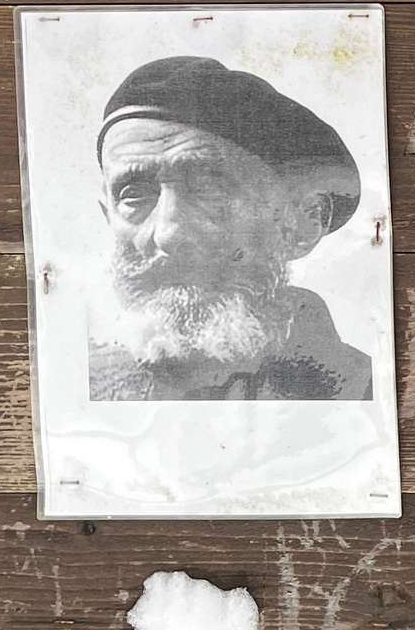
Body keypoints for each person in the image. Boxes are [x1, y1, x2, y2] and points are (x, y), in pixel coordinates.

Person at [87, 55, 374, 402]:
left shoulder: (366, 394)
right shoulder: (82, 394)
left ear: (305, 221)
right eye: (134, 195)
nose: (168, 233)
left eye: (209, 188)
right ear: (108, 216)